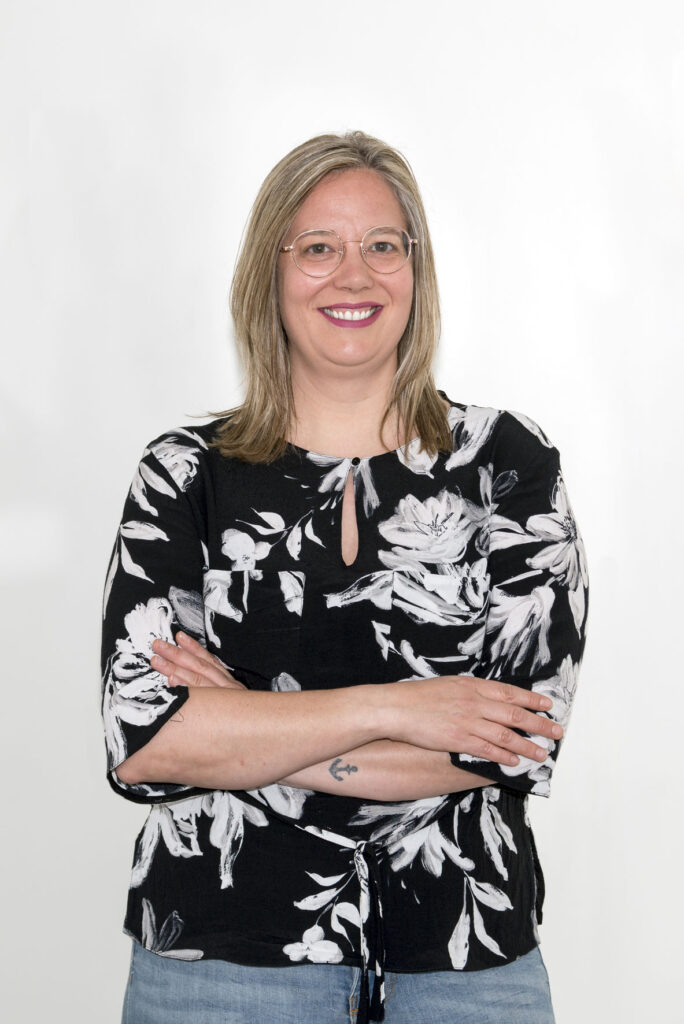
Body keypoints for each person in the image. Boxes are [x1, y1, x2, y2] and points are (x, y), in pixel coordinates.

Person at [100, 130, 589, 1024]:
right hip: (219, 961)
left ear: (417, 269)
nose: (353, 276)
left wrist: (243, 727)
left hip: (466, 965)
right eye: (319, 248)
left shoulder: (507, 466)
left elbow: (518, 738)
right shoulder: (185, 475)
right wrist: (403, 707)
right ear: (270, 274)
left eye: (382, 246)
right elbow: (145, 741)